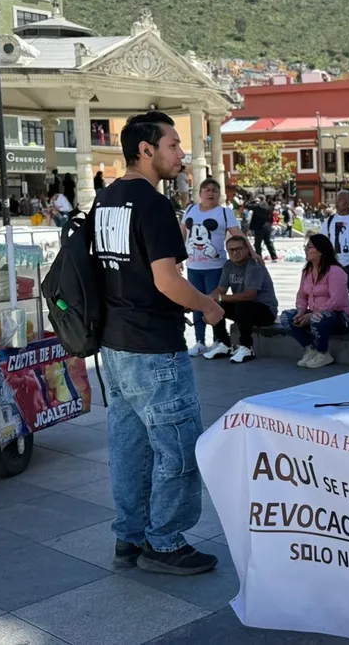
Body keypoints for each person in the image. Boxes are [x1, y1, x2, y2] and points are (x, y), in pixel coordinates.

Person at [91, 111, 222, 575]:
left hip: (116, 345)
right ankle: (164, 542)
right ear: (145, 150)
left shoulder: (105, 200)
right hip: (153, 347)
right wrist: (207, 305)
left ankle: (129, 538)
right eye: (172, 145)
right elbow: (168, 281)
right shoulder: (151, 204)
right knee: (178, 446)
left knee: (130, 448)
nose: (181, 154)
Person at [181, 178, 242, 357]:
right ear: (200, 193)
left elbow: (237, 234)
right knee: (196, 303)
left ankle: (219, 340)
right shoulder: (191, 209)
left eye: (214, 190)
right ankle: (200, 341)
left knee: (213, 303)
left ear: (219, 194)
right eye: (207, 190)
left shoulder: (224, 213)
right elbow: (181, 233)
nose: (210, 193)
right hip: (193, 266)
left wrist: (252, 253)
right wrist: (176, 260)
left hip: (216, 267)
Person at [284, 234, 349, 368]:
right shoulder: (307, 271)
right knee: (286, 317)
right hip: (315, 313)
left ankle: (323, 353)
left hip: (341, 317)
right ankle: (310, 350)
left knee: (317, 318)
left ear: (320, 251)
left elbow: (336, 300)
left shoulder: (335, 271)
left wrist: (311, 315)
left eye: (309, 247)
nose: (305, 250)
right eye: (305, 247)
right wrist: (300, 312)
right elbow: (301, 295)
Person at [203, 237, 277, 364]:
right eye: (231, 250)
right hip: (243, 310)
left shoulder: (254, 265)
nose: (234, 252)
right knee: (215, 305)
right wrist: (207, 302)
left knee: (243, 305)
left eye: (238, 249)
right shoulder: (228, 265)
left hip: (266, 311)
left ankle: (247, 347)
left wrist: (219, 298)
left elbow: (250, 295)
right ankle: (224, 344)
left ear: (247, 249)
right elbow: (221, 289)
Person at [247, 197, 277, 262]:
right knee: (268, 242)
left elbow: (247, 205)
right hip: (267, 227)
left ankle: (259, 257)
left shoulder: (257, 207)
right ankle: (274, 256)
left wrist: (253, 201)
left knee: (257, 243)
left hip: (258, 227)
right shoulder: (270, 207)